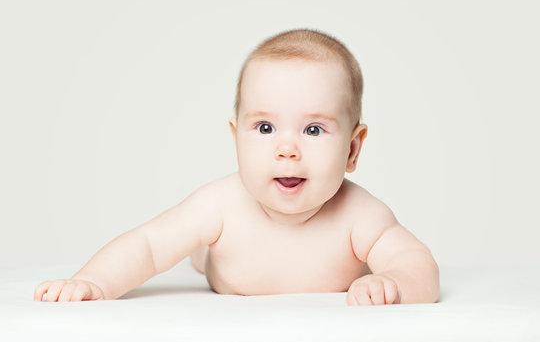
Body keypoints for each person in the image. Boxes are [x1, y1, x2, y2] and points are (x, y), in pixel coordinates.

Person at [34, 28, 439, 306]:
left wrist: (395, 284)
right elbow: (148, 246)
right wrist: (93, 282)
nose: (287, 149)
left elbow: (417, 263)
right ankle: (201, 253)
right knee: (192, 245)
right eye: (265, 127)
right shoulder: (220, 205)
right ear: (236, 137)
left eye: (313, 130)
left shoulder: (361, 216)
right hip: (221, 259)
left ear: (352, 149)